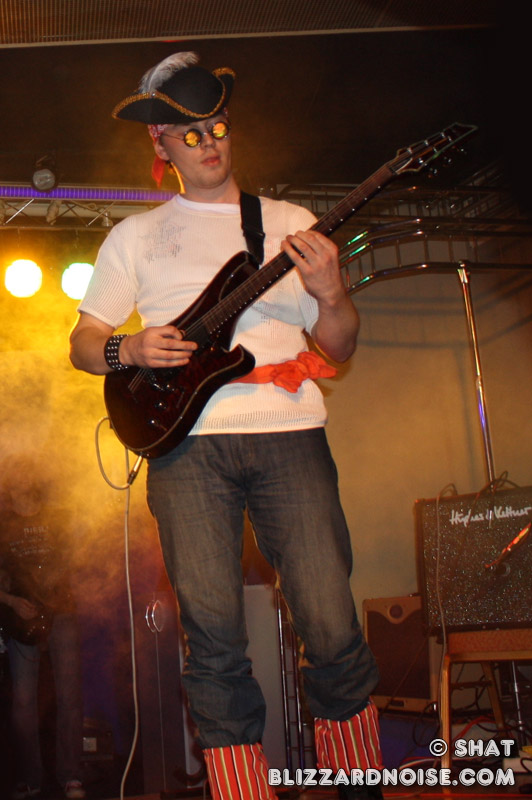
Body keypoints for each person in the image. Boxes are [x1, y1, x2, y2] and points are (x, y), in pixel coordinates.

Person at [69, 51, 382, 800]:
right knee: (212, 641)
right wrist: (128, 349)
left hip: (289, 434)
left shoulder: (290, 224)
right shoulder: (136, 237)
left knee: (332, 624)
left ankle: (358, 786)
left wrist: (332, 294)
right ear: (160, 143)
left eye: (218, 128)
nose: (209, 143)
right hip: (186, 450)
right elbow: (83, 344)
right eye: (190, 134)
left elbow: (337, 347)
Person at [0, 461, 86, 800]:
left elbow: (73, 557)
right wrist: (11, 601)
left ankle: (72, 776)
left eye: (26, 472)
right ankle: (29, 778)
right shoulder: (3, 523)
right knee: (23, 701)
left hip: (61, 611)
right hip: (21, 619)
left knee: (70, 695)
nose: (21, 478)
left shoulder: (57, 516)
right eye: (14, 474)